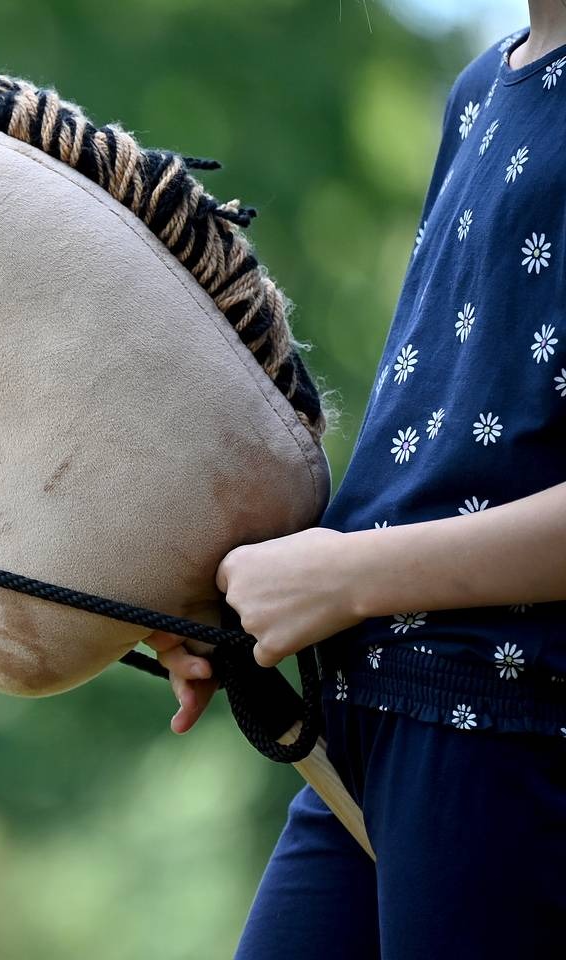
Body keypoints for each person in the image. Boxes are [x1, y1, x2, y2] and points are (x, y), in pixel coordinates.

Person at [144, 5, 566, 957]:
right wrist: (228, 593)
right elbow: (438, 448)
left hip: (510, 728)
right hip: (372, 723)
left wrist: (348, 579)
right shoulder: (484, 88)